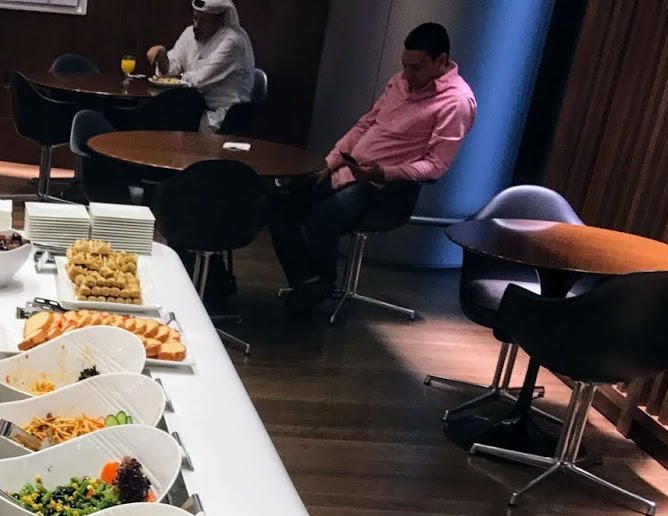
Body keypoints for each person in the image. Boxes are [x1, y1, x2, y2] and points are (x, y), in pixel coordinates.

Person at [270, 22, 477, 316]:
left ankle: (322, 281)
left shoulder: (457, 102)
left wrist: (382, 173)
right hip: (348, 172)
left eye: (416, 68)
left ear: (441, 61)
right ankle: (307, 281)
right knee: (279, 204)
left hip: (385, 190)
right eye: (404, 65)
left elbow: (435, 166)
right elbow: (365, 124)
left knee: (321, 218)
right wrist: (330, 163)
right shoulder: (399, 82)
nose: (406, 74)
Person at [145, 0, 255, 133]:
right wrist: (163, 59)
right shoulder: (189, 33)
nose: (196, 25)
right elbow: (172, 69)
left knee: (166, 118)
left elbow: (200, 81)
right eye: (195, 18)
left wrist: (178, 77)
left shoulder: (231, 42)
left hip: (222, 114)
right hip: (193, 107)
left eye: (203, 21)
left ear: (220, 20)